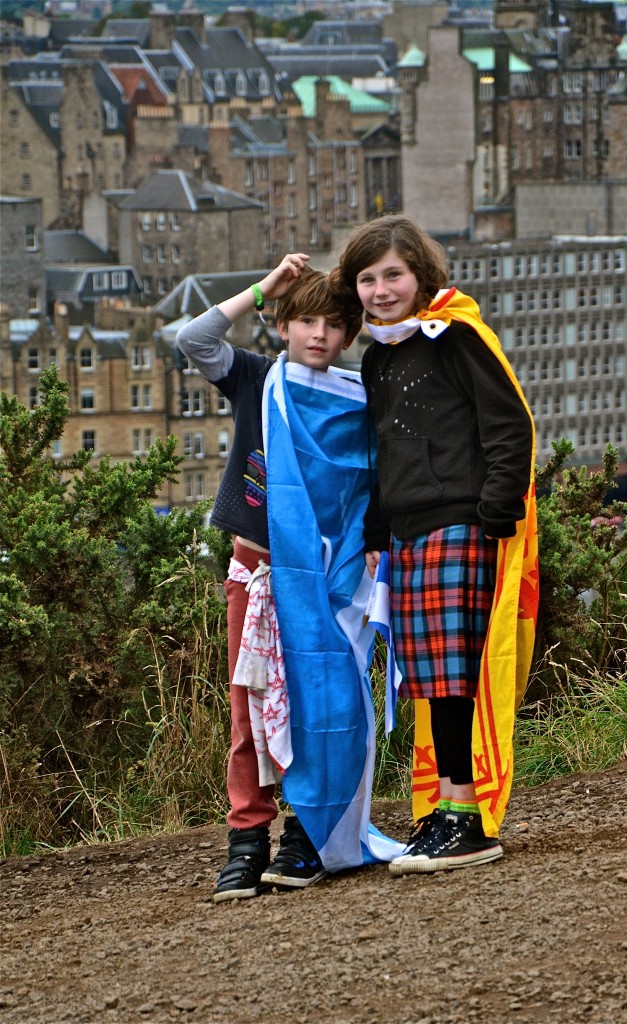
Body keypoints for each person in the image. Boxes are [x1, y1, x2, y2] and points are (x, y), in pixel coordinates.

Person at [176, 254, 400, 902]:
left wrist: (374, 553)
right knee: (248, 712)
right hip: (255, 571)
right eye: (304, 320)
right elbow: (192, 340)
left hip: (324, 580)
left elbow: (372, 486)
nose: (318, 335)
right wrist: (263, 287)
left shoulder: (356, 399)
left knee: (314, 707)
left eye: (333, 323)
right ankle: (247, 841)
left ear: (348, 333)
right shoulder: (255, 380)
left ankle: (306, 834)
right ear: (282, 325)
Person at [331, 215, 539, 875]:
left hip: (462, 521)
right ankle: (445, 815)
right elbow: (381, 451)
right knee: (426, 677)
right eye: (367, 278)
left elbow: (506, 422)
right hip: (407, 531)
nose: (381, 289)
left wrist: (496, 510)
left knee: (454, 675)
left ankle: (468, 818)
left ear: (421, 275)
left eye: (392, 274)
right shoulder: (378, 356)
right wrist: (375, 531)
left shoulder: (455, 337)